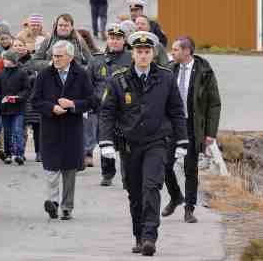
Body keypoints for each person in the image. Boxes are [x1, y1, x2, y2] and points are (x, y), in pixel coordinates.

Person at [98, 31, 188, 256]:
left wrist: (182, 141)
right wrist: (106, 142)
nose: (143, 56)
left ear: (153, 53)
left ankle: (150, 237)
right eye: (139, 52)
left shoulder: (166, 77)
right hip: (129, 144)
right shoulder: (118, 79)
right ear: (133, 54)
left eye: (147, 52)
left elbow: (177, 111)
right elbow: (107, 112)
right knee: (135, 193)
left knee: (151, 188)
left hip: (157, 142)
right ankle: (139, 235)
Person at [31, 40, 95, 221]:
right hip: (51, 127)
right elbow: (35, 100)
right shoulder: (44, 74)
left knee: (69, 170)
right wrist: (51, 108)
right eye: (54, 56)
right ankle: (52, 202)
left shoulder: (81, 74)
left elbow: (92, 100)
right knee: (51, 168)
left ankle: (67, 207)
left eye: (59, 56)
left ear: (70, 57)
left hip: (72, 129)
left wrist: (73, 104)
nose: (55, 59)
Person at [162, 36, 221, 224]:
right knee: (164, 164)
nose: (172, 52)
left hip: (192, 126)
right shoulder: (170, 69)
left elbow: (214, 103)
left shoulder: (204, 72)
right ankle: (176, 196)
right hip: (172, 126)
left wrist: (210, 132)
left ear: (187, 51)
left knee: (190, 168)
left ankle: (189, 208)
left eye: (176, 49)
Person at [85, 23, 132, 185]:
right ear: (108, 39)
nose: (114, 42)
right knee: (106, 141)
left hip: (126, 110)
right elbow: (88, 84)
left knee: (126, 145)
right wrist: (91, 103)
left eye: (118, 39)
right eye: (112, 38)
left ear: (124, 40)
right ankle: (108, 173)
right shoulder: (97, 60)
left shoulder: (131, 58)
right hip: (103, 109)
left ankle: (127, 177)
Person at [0, 46, 31, 165]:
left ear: (13, 61)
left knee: (17, 130)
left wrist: (18, 97)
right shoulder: (1, 74)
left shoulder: (22, 73)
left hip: (18, 108)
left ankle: (19, 153)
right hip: (5, 108)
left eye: (7, 59)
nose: (4, 61)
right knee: (7, 132)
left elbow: (26, 89)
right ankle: (8, 153)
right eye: (4, 59)